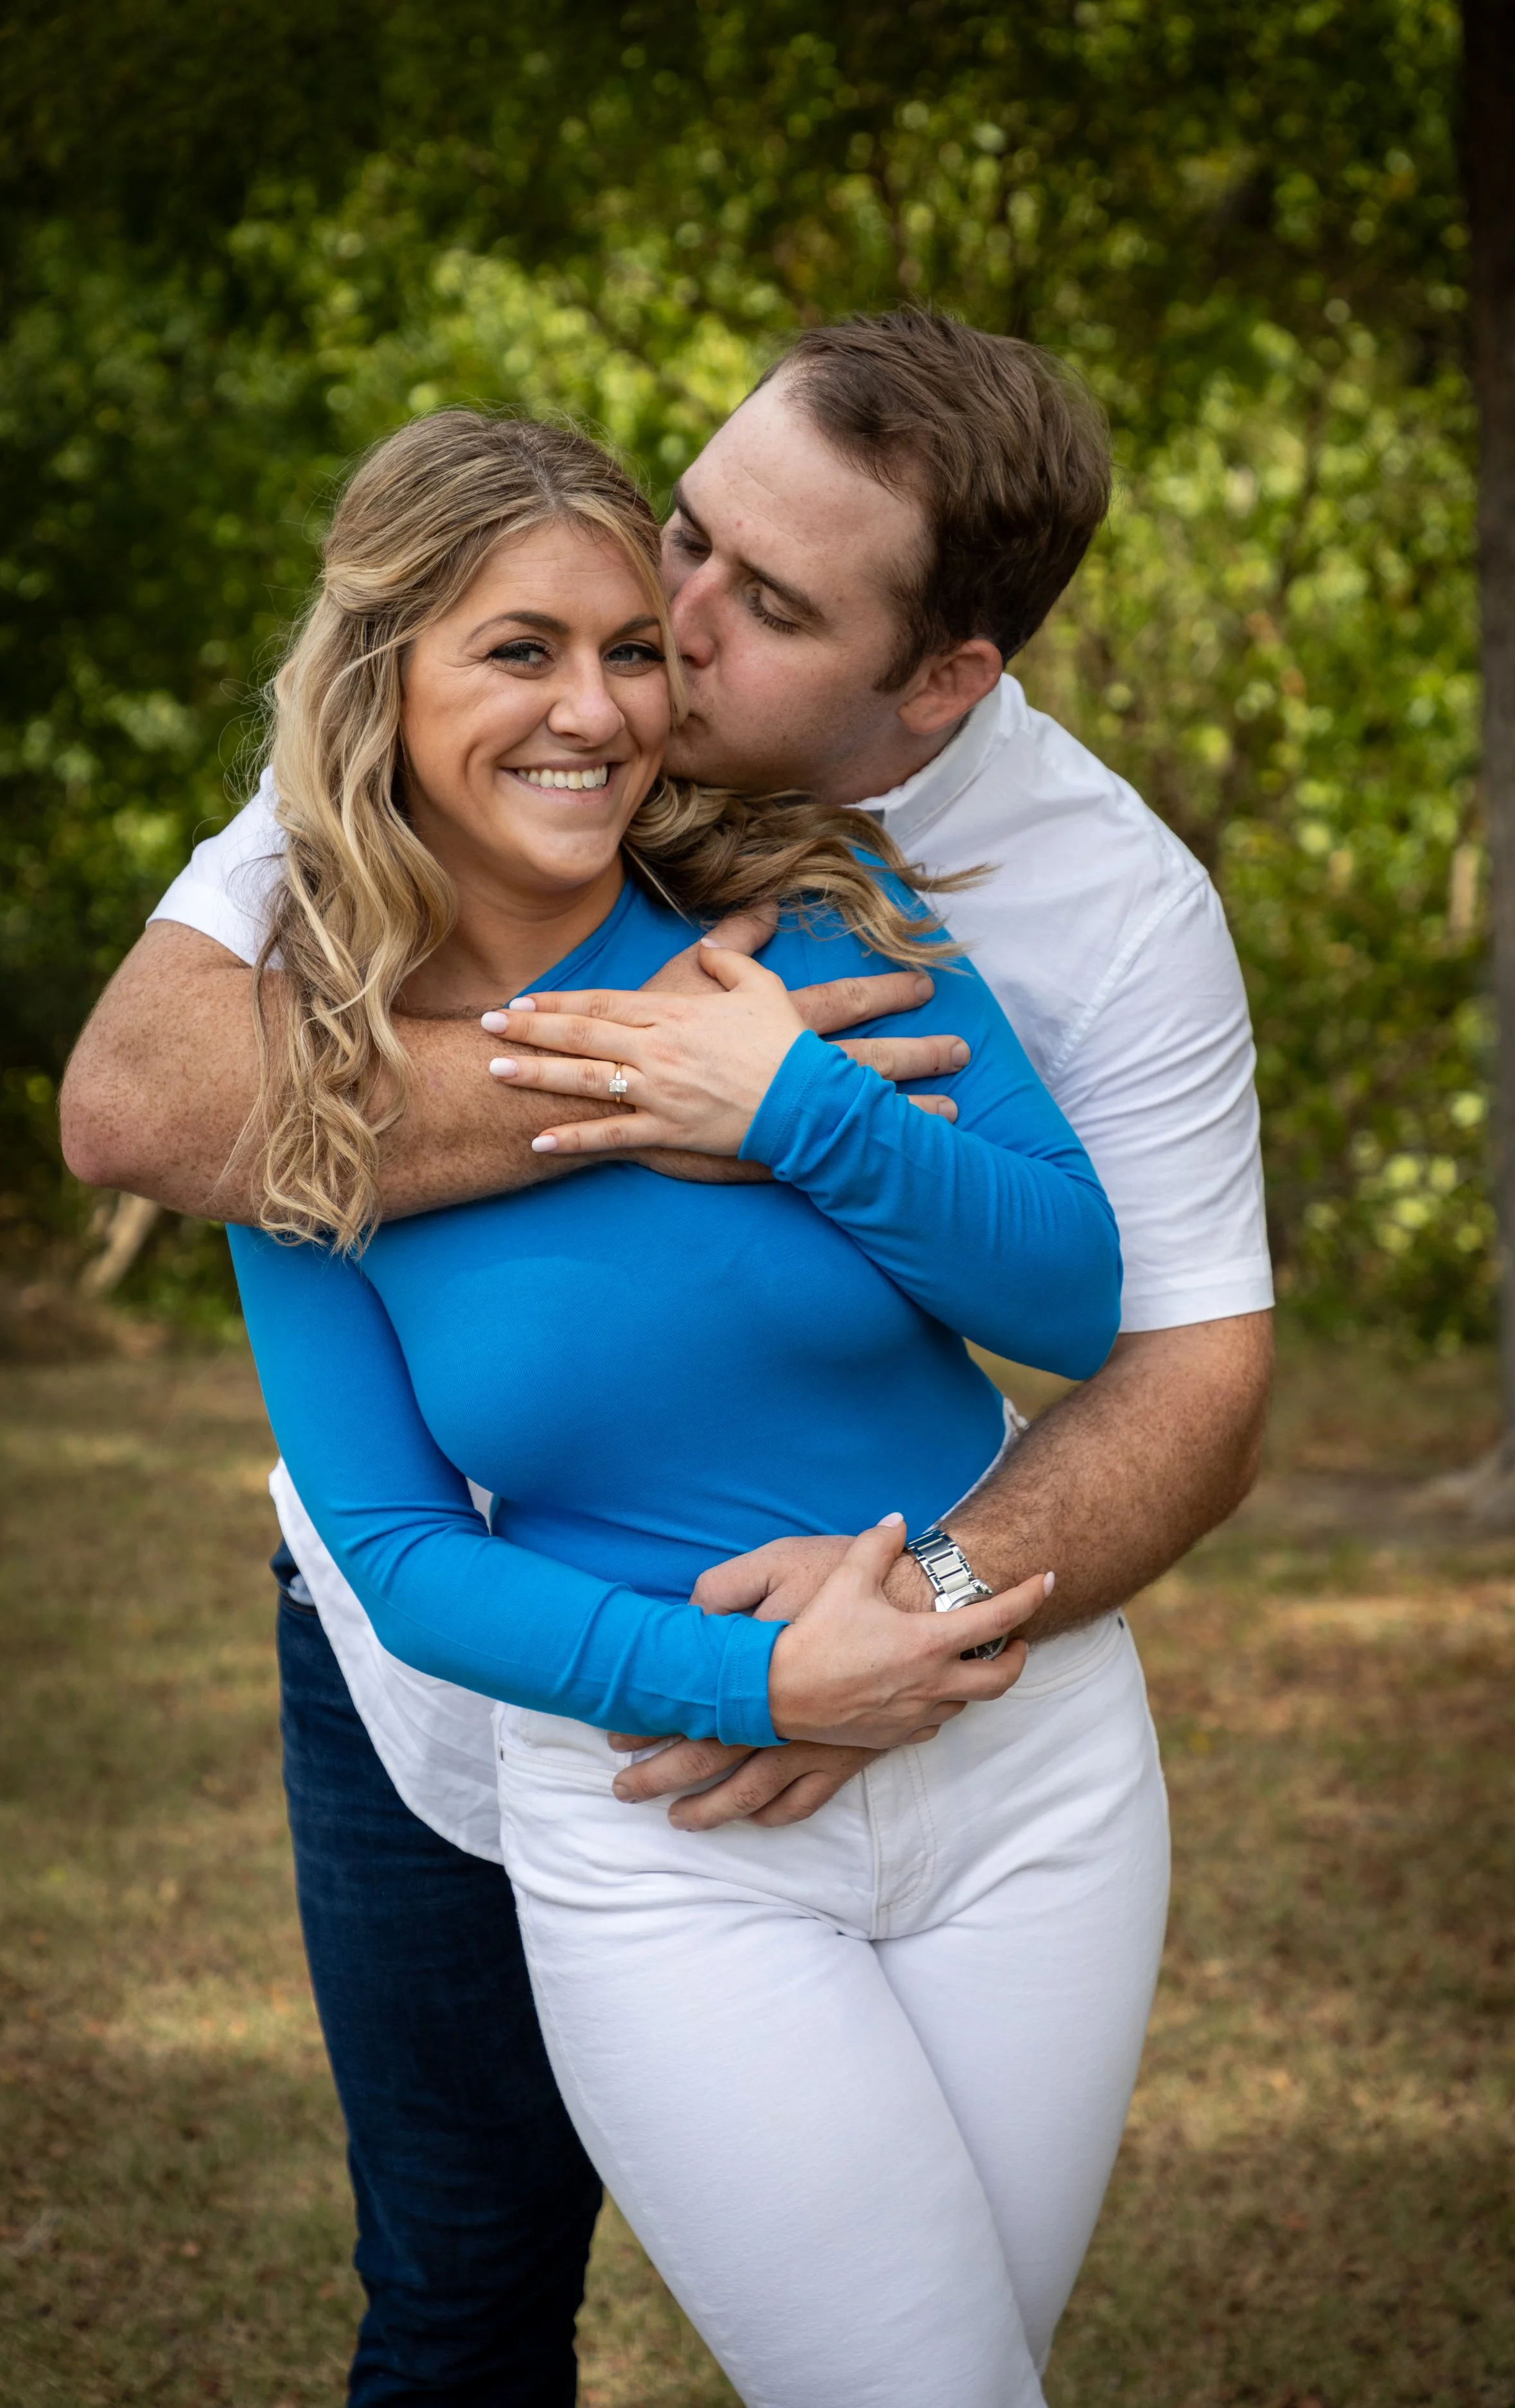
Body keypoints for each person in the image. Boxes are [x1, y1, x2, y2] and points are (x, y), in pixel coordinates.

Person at [60, 310, 1275, 2404]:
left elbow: (1153, 1340)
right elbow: (143, 1112)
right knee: (461, 2292)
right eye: (676, 546)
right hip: (516, 1713)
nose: (660, 657)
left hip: (999, 1736)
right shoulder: (383, 830)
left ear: (938, 677)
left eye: (739, 608)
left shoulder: (916, 891)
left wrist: (794, 1107)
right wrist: (657, 1080)